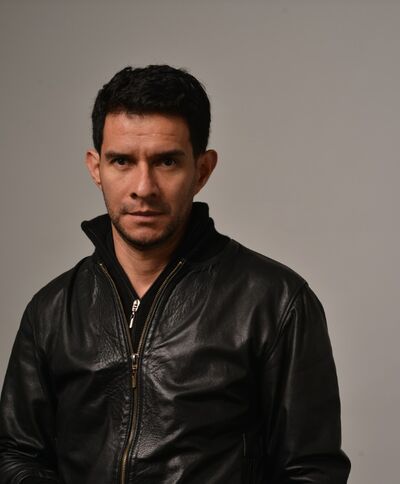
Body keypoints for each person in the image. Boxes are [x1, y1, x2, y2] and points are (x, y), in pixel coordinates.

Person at [0, 65, 351, 484]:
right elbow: (16, 455)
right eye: (122, 161)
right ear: (96, 168)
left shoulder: (274, 302)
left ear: (202, 170)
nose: (143, 187)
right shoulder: (52, 310)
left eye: (166, 161)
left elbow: (312, 471)